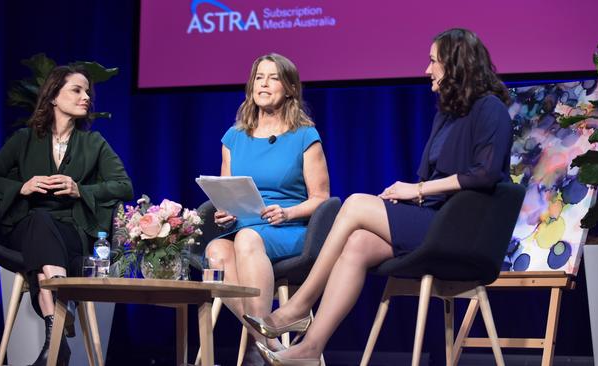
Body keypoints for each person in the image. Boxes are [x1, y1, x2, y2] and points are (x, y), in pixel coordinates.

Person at [244, 28, 513, 365]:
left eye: (433, 61)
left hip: (463, 230)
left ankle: (300, 305)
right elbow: (434, 178)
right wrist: (411, 195)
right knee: (357, 242)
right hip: (436, 218)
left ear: (457, 64)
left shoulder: (491, 109)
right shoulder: (447, 113)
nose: (427, 70)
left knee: (356, 202)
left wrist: (417, 190)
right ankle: (311, 348)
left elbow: (485, 174)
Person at [0, 65, 133, 366]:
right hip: (26, 227)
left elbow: (124, 186)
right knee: (39, 221)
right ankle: (61, 322)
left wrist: (80, 190)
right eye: (77, 90)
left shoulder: (94, 143)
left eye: (88, 91)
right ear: (52, 97)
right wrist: (22, 186)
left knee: (41, 256)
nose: (86, 96)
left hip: (72, 233)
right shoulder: (24, 140)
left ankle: (55, 337)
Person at [204, 53, 330, 364]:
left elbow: (322, 199)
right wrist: (224, 211)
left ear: (289, 88)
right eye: (259, 77)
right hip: (243, 225)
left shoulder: (305, 136)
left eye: (273, 77)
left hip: (287, 227)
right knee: (216, 252)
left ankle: (257, 350)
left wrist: (287, 212)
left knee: (247, 239)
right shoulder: (233, 137)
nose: (264, 83)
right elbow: (226, 190)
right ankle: (269, 347)